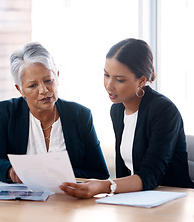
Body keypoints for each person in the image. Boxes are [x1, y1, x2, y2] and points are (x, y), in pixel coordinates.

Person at [60, 38, 194, 198]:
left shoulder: (163, 110)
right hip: (137, 200)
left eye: (119, 79)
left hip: (171, 200)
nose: (109, 85)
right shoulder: (117, 109)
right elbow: (124, 170)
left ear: (142, 80)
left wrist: (105, 186)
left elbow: (152, 175)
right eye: (106, 75)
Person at [0, 42, 109, 183]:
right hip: (21, 203)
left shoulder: (80, 115)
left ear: (57, 76)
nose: (44, 90)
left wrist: (56, 174)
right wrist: (11, 171)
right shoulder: (5, 112)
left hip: (67, 200)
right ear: (20, 89)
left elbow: (99, 172)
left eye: (48, 81)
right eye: (33, 85)